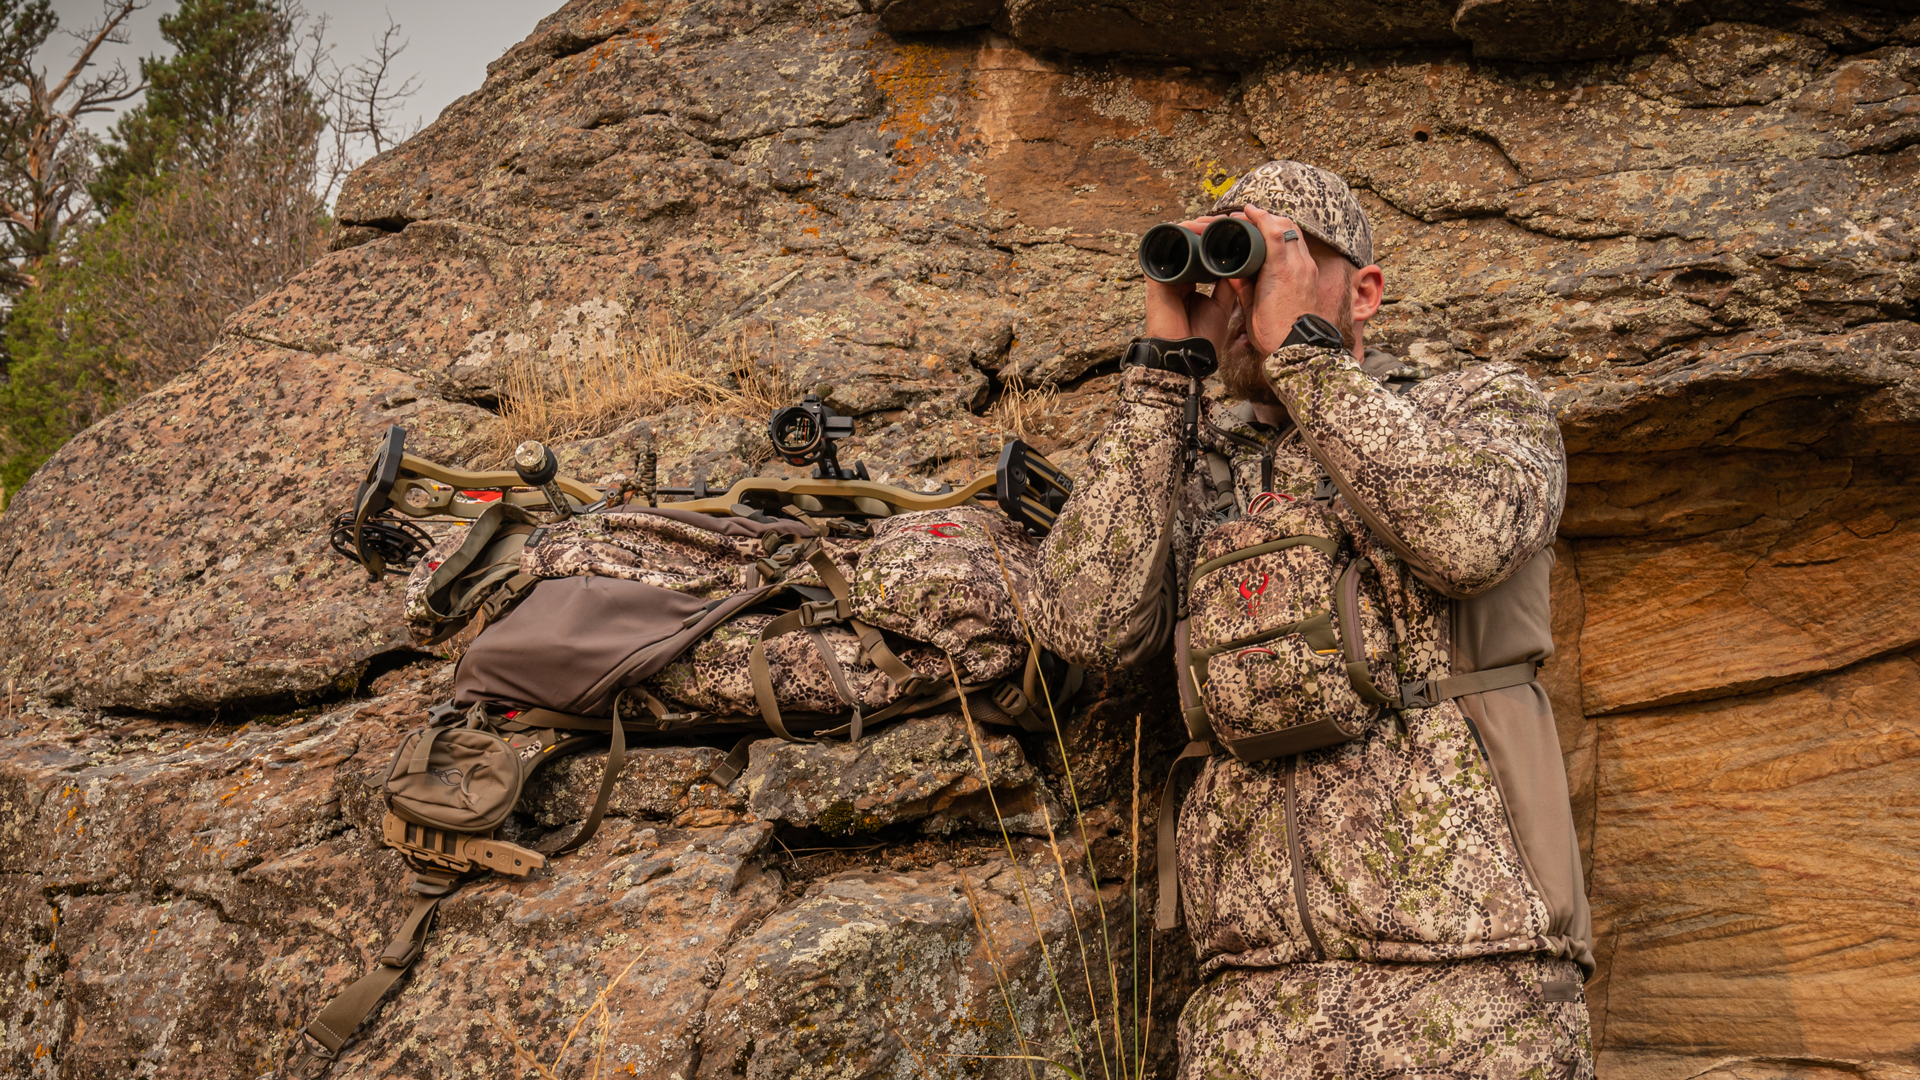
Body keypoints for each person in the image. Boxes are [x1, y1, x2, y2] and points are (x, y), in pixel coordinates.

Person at [1029, 160, 1595, 1078]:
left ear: (1362, 290)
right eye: (1229, 265)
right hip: (1254, 1009)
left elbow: (1469, 539)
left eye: (1274, 255)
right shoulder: (1191, 460)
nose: (1245, 289)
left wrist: (1305, 358)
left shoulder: (1477, 407)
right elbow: (1084, 625)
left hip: (1474, 985)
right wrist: (1164, 373)